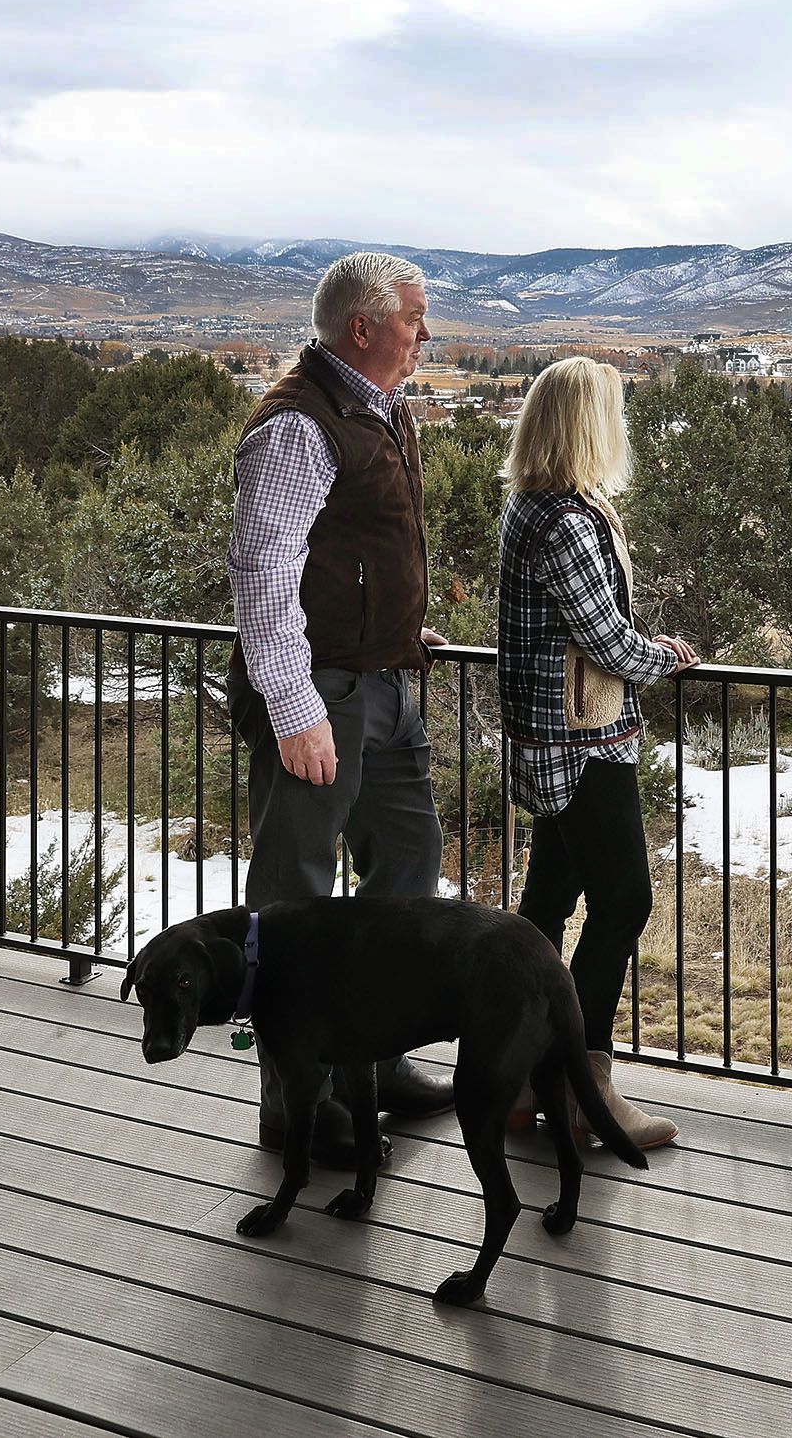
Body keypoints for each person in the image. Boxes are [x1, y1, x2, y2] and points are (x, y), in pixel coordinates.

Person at [228, 250, 458, 1155]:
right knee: (295, 898)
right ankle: (295, 1102)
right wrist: (293, 706)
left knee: (409, 866)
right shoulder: (298, 425)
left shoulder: (373, 410)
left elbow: (351, 555)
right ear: (362, 328)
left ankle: (375, 1061)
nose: (424, 333)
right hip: (321, 693)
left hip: (382, 681)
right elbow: (263, 575)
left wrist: (402, 629)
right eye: (412, 318)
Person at [497, 355, 695, 1152]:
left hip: (549, 737)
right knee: (624, 904)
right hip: (585, 742)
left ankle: (516, 1077)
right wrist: (667, 656)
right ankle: (585, 1088)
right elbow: (606, 640)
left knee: (546, 905)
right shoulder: (570, 524)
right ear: (588, 424)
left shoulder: (529, 507)